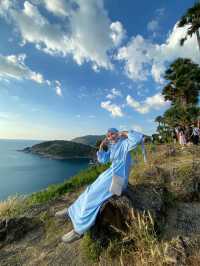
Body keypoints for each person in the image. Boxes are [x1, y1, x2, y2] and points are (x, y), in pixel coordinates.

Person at [55, 128, 147, 243]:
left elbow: (138, 138)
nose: (110, 137)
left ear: (117, 134)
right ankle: (71, 211)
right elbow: (102, 159)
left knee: (93, 197)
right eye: (108, 136)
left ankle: (79, 230)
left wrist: (124, 133)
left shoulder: (125, 143)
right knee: (89, 190)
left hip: (118, 179)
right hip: (110, 174)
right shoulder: (114, 146)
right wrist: (102, 146)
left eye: (112, 134)